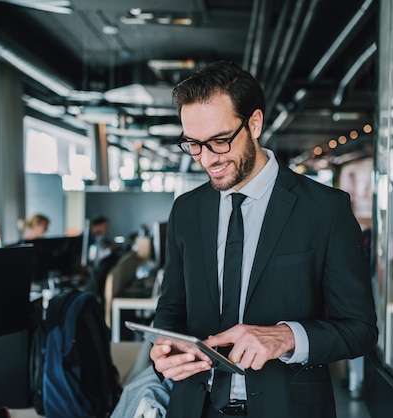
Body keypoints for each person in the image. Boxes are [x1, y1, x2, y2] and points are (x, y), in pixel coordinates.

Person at [149, 61, 378, 418]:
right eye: (193, 144)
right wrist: (166, 348)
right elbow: (172, 307)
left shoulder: (324, 209)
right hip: (195, 408)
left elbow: (360, 330)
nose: (207, 159)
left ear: (254, 123)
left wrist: (286, 337)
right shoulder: (186, 210)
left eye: (220, 141)